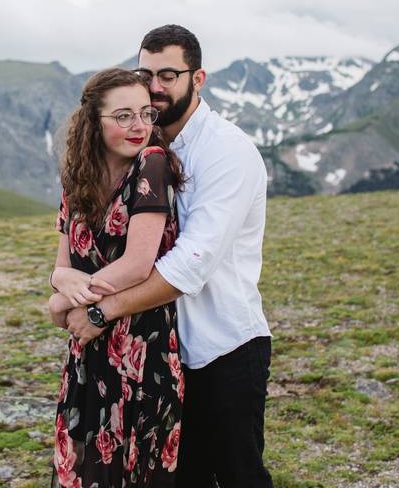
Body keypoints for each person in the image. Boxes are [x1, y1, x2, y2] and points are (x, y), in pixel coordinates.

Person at [60, 25, 274, 487]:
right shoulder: (145, 148)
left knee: (239, 475)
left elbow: (188, 264)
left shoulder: (226, 152)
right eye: (146, 73)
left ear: (198, 79)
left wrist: (100, 311)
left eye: (169, 75)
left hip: (222, 346)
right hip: (159, 353)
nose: (154, 87)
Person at [47, 68, 186, 488]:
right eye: (123, 116)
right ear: (94, 121)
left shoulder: (151, 164)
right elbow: (61, 266)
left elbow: (137, 264)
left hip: (141, 350)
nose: (140, 126)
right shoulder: (77, 179)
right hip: (88, 350)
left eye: (146, 113)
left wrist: (70, 301)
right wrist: (60, 290)